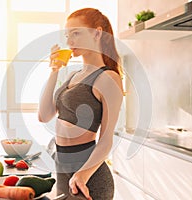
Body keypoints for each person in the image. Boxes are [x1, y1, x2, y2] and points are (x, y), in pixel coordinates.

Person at [38, 8, 123, 200]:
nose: (69, 41)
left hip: (89, 176)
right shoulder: (72, 76)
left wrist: (82, 175)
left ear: (97, 33)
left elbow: (106, 139)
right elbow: (44, 115)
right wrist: (54, 70)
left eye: (76, 33)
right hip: (62, 168)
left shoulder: (108, 78)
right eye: (67, 35)